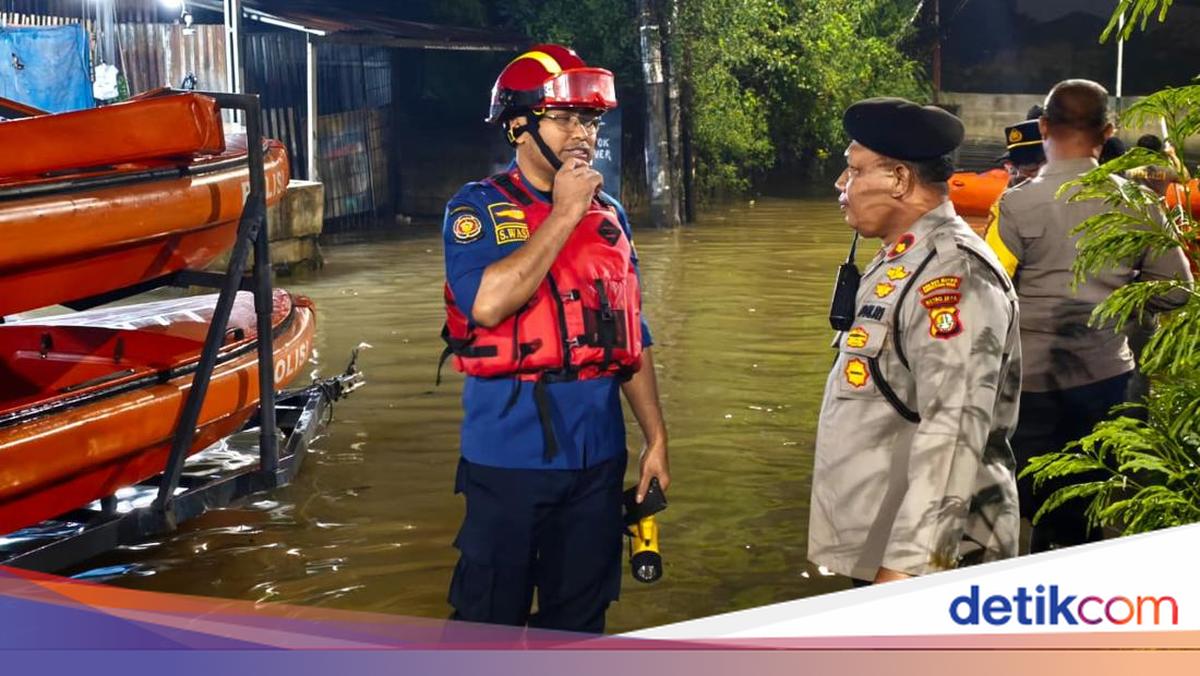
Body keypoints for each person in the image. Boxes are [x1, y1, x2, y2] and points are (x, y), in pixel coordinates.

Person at [437, 44, 670, 633]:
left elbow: (631, 339)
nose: (582, 134)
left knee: (580, 621)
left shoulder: (610, 214)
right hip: (509, 456)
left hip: (597, 458)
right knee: (488, 621)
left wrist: (656, 440)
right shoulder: (478, 209)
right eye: (564, 118)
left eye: (590, 120)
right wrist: (564, 214)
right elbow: (487, 302)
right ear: (519, 126)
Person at [808, 97, 1022, 585]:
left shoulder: (955, 277)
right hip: (883, 539)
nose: (842, 186)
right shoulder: (902, 260)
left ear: (900, 179)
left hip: (937, 562)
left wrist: (902, 574)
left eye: (854, 171)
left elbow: (952, 435)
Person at [985, 79, 1194, 552]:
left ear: (1042, 128)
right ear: (1107, 131)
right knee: (1089, 499)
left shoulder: (1015, 205)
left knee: (1030, 500)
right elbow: (1179, 292)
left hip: (1030, 381)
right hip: (1106, 379)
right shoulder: (1139, 202)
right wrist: (1118, 298)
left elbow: (987, 295)